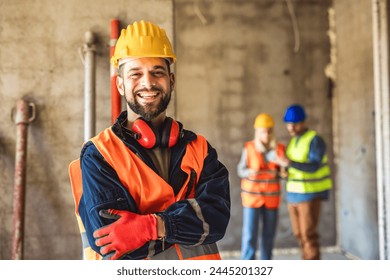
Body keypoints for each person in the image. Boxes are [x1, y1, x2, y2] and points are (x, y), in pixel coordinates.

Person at [68, 20, 231, 260]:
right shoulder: (99, 153)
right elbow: (110, 240)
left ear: (171, 81)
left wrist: (151, 226)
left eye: (157, 72)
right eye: (136, 74)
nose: (148, 82)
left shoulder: (200, 150)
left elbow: (216, 220)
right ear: (120, 85)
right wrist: (183, 224)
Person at [280, 104, 332, 260]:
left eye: (295, 124)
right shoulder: (294, 141)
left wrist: (289, 164)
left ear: (303, 122)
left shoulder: (315, 140)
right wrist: (285, 171)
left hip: (309, 194)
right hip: (294, 195)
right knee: (299, 235)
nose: (291, 127)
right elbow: (294, 165)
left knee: (308, 235)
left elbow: (314, 166)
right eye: (289, 124)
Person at [237, 113, 286, 260]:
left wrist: (283, 167)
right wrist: (250, 172)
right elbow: (240, 170)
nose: (266, 134)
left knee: (268, 235)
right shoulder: (249, 148)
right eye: (263, 131)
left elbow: (283, 173)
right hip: (252, 199)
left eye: (269, 130)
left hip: (271, 199)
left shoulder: (279, 149)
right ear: (257, 132)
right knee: (250, 235)